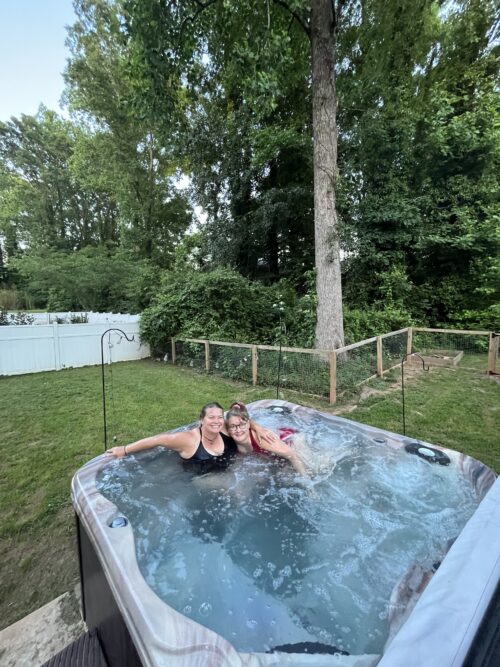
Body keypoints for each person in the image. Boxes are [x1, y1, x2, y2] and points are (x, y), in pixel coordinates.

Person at [104, 401, 279, 474]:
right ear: (201, 420)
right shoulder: (188, 439)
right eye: (211, 417)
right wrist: (124, 450)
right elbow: (158, 439)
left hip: (231, 469)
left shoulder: (225, 428)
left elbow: (240, 417)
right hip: (202, 479)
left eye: (220, 417)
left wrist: (258, 427)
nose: (217, 421)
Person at [225, 402, 309, 476]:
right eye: (233, 426)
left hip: (293, 441)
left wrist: (309, 486)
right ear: (228, 430)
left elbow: (292, 455)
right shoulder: (229, 439)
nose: (238, 430)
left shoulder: (261, 439)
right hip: (279, 455)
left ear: (248, 425)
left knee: (313, 470)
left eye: (242, 425)